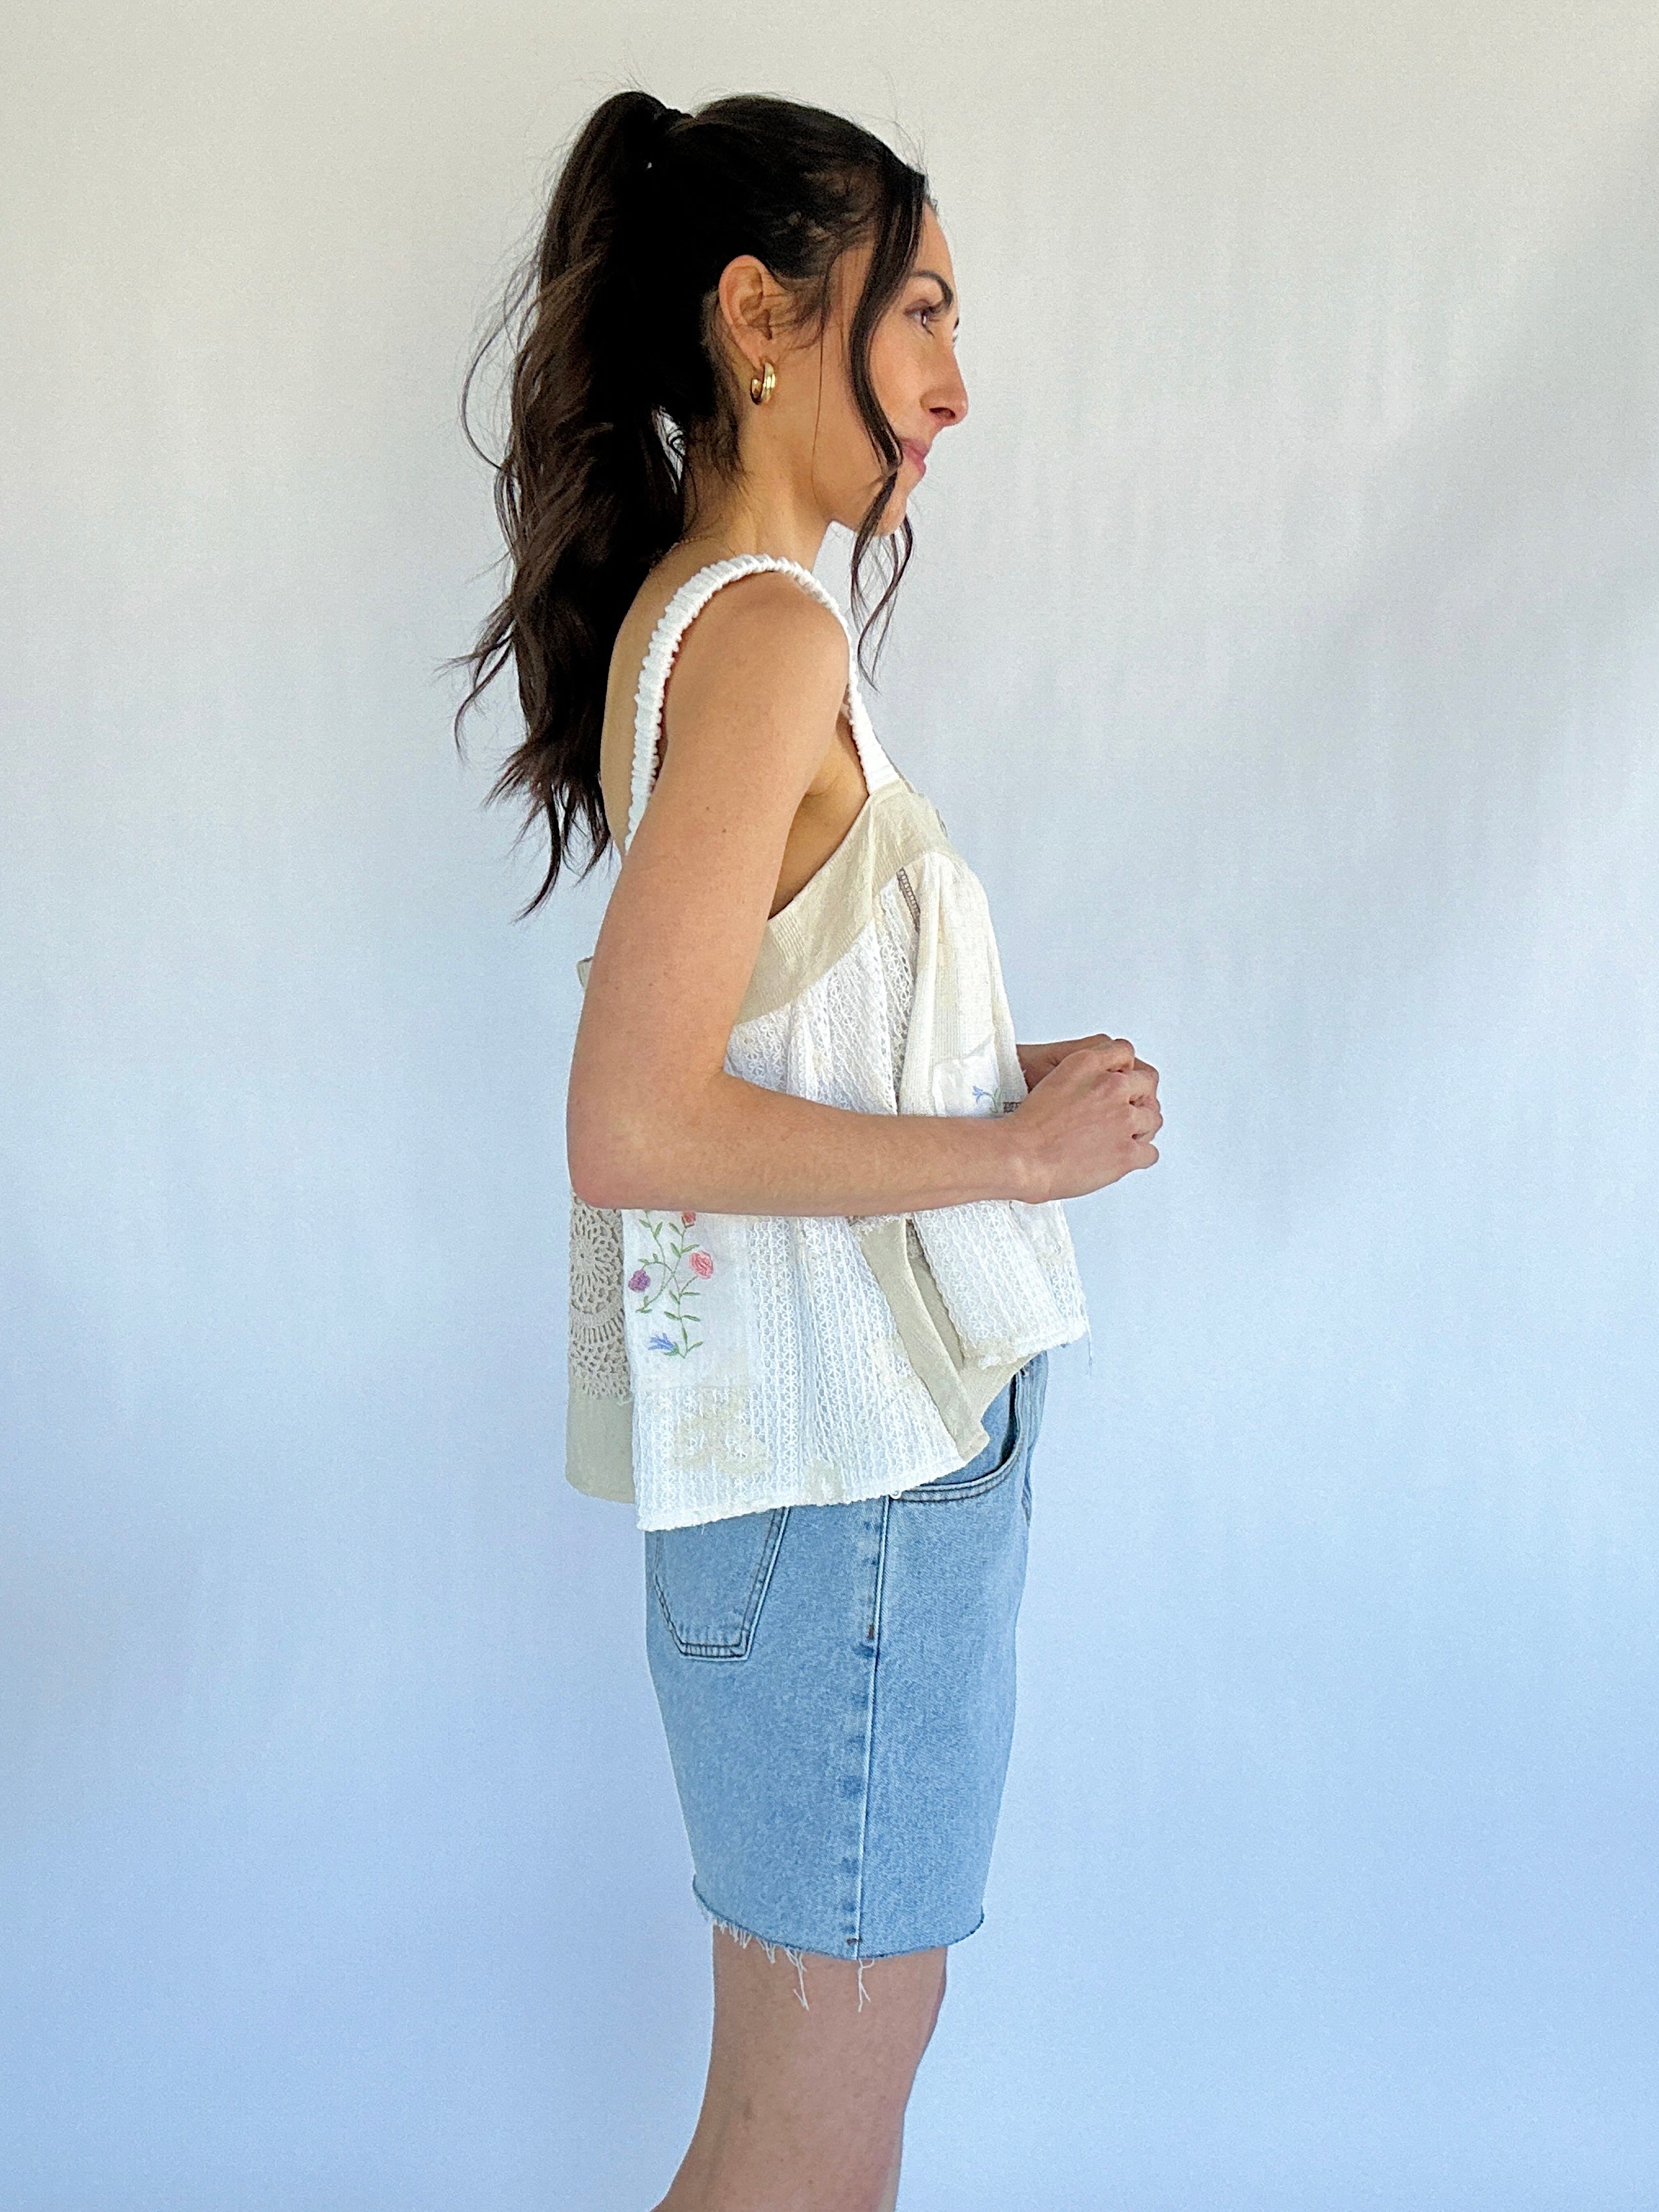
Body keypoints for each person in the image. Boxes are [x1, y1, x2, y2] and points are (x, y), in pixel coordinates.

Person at [454, 87, 1162, 2212]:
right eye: (920, 308)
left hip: (848, 1507)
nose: (954, 381)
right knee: (802, 2151)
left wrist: (987, 1062)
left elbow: (747, 1016)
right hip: (846, 1510)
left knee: (824, 2105)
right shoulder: (760, 638)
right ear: (765, 317)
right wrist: (1010, 1165)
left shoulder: (726, 617)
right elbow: (636, 1118)